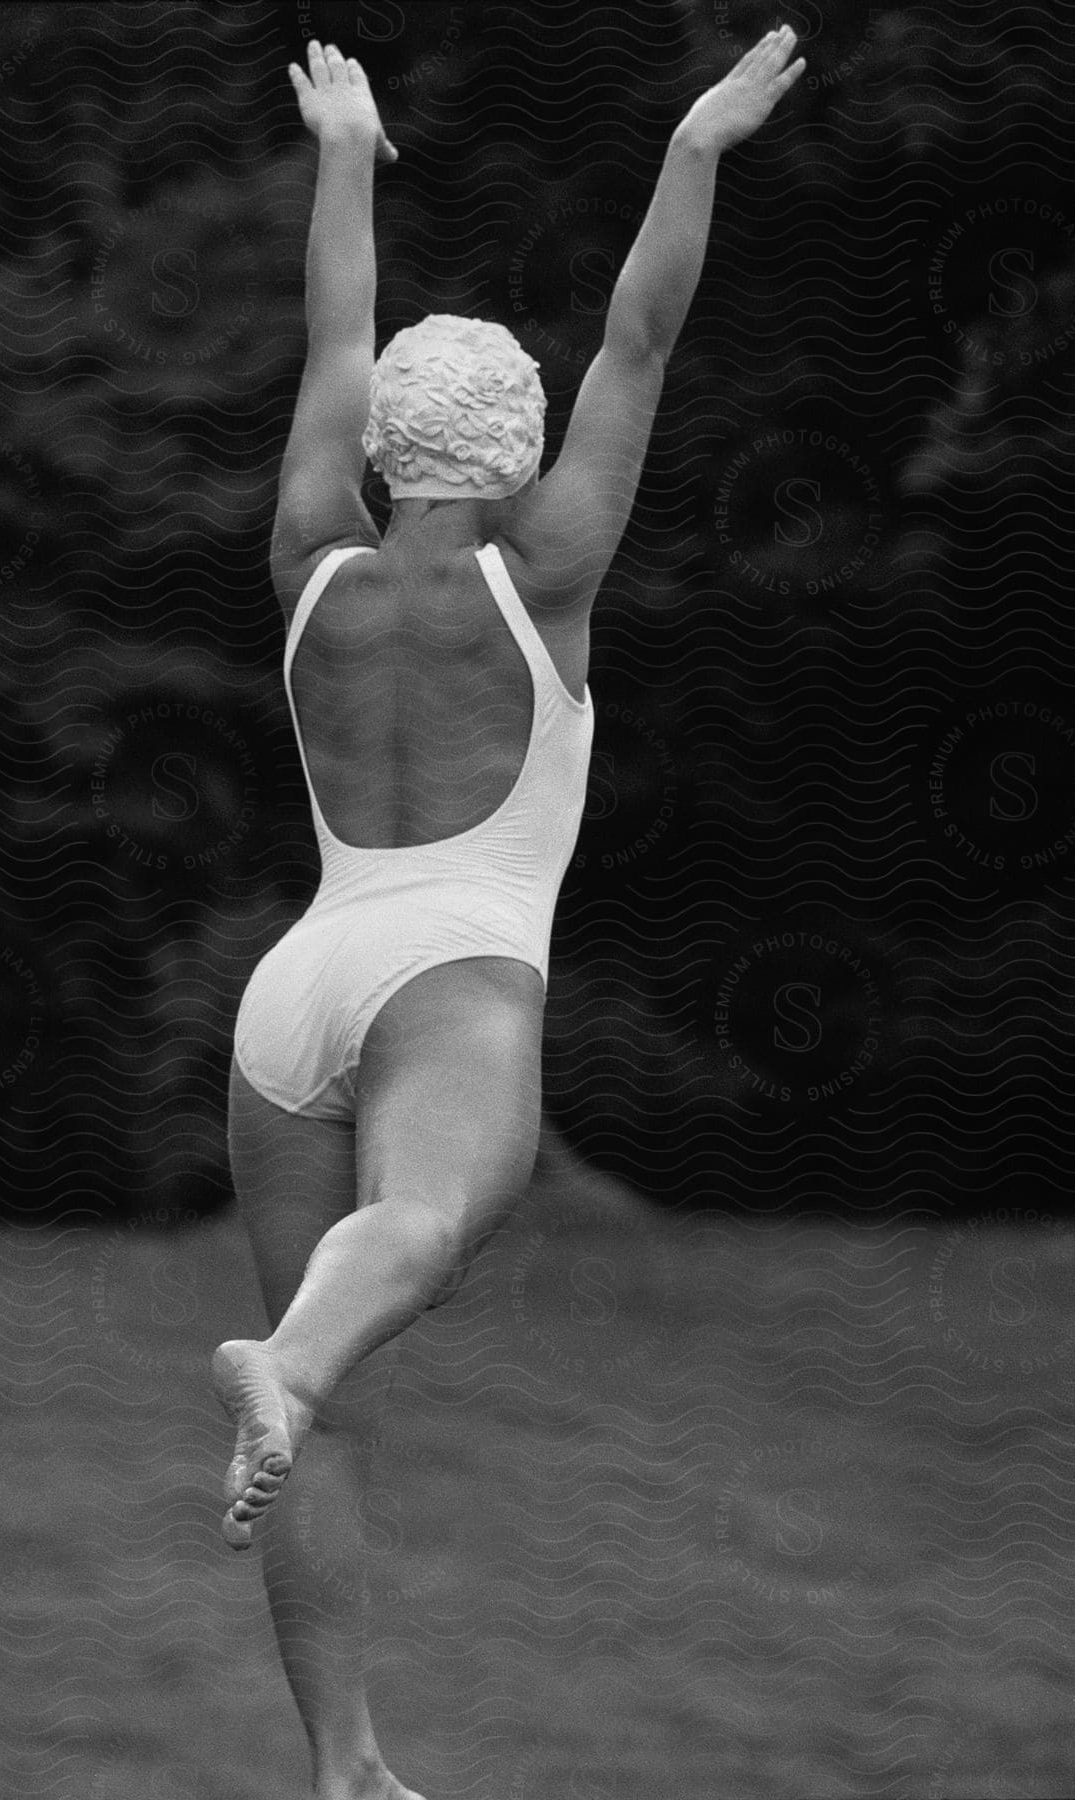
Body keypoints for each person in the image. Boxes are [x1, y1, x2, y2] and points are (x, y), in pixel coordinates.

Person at [214, 30, 806, 1800]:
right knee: (433, 1221)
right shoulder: (547, 566)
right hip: (447, 966)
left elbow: (331, 341)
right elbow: (642, 332)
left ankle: (346, 1767)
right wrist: (695, 145)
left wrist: (343, 150)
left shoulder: (312, 549)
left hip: (294, 983)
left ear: (390, 444)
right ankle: (286, 1356)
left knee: (323, 1414)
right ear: (521, 437)